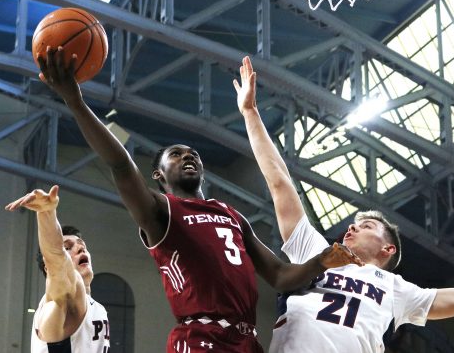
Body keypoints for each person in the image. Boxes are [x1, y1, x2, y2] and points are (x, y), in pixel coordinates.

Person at [35, 47, 362, 352]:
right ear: (159, 175)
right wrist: (75, 102)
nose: (187, 157)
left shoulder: (232, 215)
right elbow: (121, 165)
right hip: (200, 338)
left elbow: (278, 275)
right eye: (175, 155)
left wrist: (320, 262)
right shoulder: (160, 211)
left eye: (193, 154)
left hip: (247, 340)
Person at [233, 56, 454, 353]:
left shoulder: (396, 290)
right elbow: (279, 182)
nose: (351, 226)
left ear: (388, 250)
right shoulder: (315, 250)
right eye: (355, 223)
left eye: (366, 226)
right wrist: (250, 112)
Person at [5, 185, 110, 352]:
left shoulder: (97, 308)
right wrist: (47, 214)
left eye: (82, 245)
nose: (80, 249)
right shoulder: (60, 301)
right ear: (48, 267)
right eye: (68, 247)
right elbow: (56, 258)